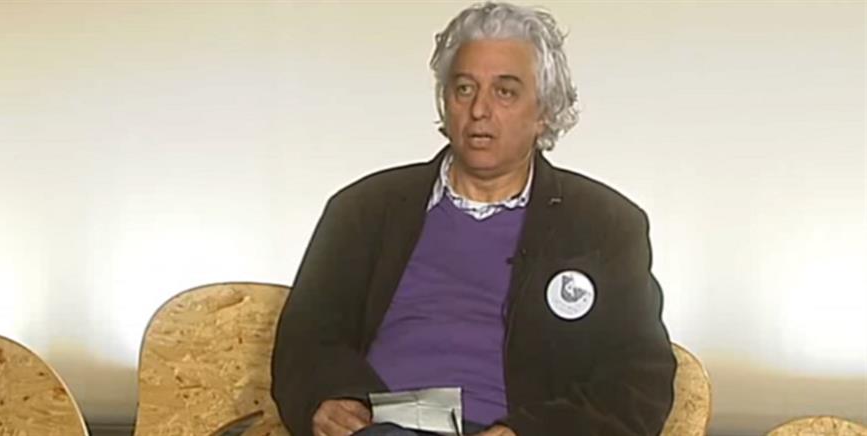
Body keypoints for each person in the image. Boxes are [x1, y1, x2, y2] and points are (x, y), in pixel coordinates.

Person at [271, 2, 676, 435]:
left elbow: (638, 381)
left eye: (505, 92)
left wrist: (531, 431)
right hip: (382, 425)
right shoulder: (363, 210)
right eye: (464, 89)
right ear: (445, 102)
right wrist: (326, 397)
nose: (480, 109)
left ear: (544, 111)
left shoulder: (605, 226)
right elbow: (306, 341)